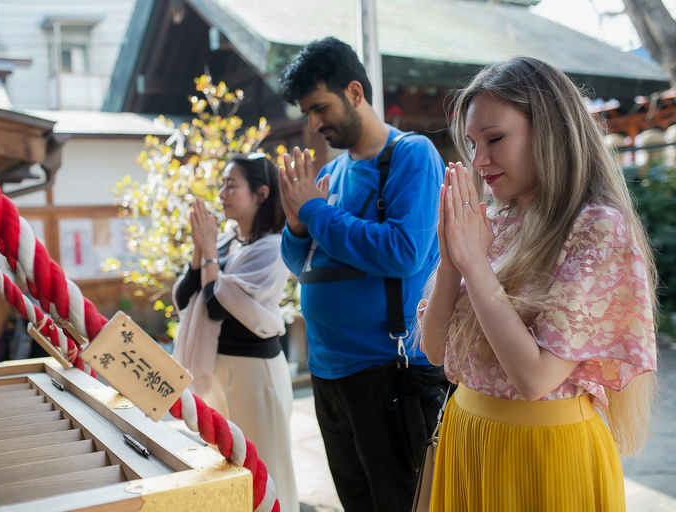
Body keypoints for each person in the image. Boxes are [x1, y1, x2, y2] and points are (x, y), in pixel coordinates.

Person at [418, 56, 658, 511]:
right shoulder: (490, 217)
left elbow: (534, 378)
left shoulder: (596, 226)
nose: (479, 160)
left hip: (543, 451)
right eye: (472, 143)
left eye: (495, 139)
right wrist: (451, 261)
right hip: (466, 432)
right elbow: (433, 352)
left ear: (549, 130)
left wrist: (474, 264)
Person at [277, 37, 447, 512]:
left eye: (320, 107)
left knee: (400, 503)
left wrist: (314, 211)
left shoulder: (411, 155)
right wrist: (297, 225)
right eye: (307, 113)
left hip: (386, 371)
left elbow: (404, 252)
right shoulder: (333, 173)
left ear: (354, 92)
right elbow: (301, 265)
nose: (314, 123)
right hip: (328, 372)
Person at [172, 153, 299, 512]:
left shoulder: (271, 248)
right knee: (228, 470)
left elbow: (215, 305)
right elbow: (185, 297)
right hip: (219, 370)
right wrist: (202, 250)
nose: (223, 192)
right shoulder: (228, 243)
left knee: (266, 470)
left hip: (255, 374)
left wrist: (209, 250)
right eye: (222, 184)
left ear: (260, 193)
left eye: (232, 184)